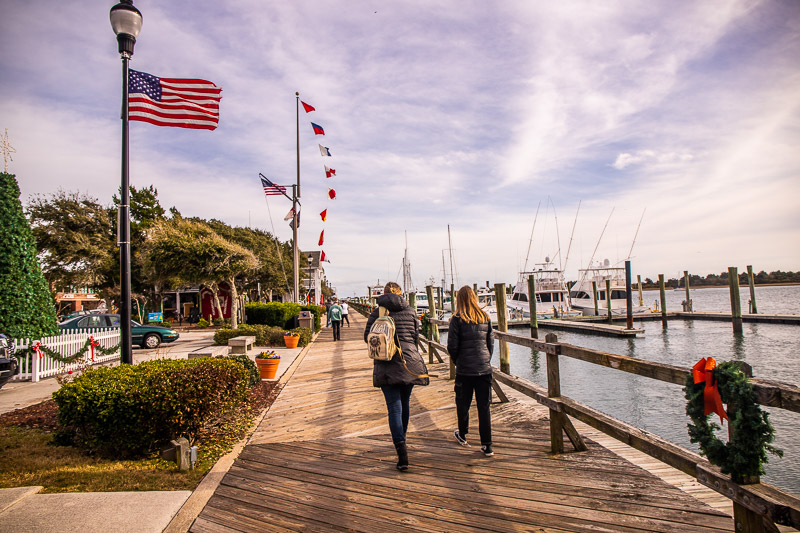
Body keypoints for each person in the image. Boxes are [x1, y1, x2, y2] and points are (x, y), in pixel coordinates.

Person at [364, 282, 429, 470]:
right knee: (405, 403)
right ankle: (403, 438)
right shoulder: (410, 311)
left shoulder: (378, 312)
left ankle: (401, 452)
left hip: (386, 363)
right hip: (409, 362)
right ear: (401, 294)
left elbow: (367, 337)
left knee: (394, 408)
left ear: (383, 294)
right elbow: (416, 337)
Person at [447, 285, 495, 456]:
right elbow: (490, 344)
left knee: (463, 404)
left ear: (459, 300)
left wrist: (458, 361)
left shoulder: (457, 319)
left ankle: (463, 434)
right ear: (474, 298)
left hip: (465, 369)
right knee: (484, 407)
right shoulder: (485, 317)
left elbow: (452, 346)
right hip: (483, 369)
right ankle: (487, 445)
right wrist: (485, 361)